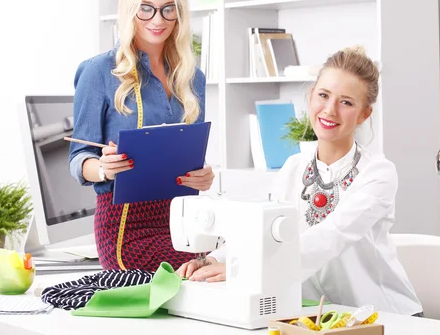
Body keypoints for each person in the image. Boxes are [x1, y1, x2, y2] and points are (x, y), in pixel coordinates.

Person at [177, 47, 423, 316]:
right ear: (310, 96)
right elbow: (264, 231)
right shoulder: (294, 167)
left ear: (364, 114)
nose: (330, 110)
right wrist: (216, 258)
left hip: (386, 317)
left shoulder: (378, 174)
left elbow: (332, 235)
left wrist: (244, 266)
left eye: (347, 102)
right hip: (320, 316)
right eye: (324, 95)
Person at [69, 0, 214, 272]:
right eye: (145, 7)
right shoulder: (99, 72)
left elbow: (189, 158)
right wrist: (105, 168)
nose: (157, 19)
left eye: (168, 8)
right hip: (125, 230)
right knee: (207, 270)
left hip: (183, 219)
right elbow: (78, 159)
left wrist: (204, 176)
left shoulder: (193, 79)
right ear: (130, 8)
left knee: (233, 259)